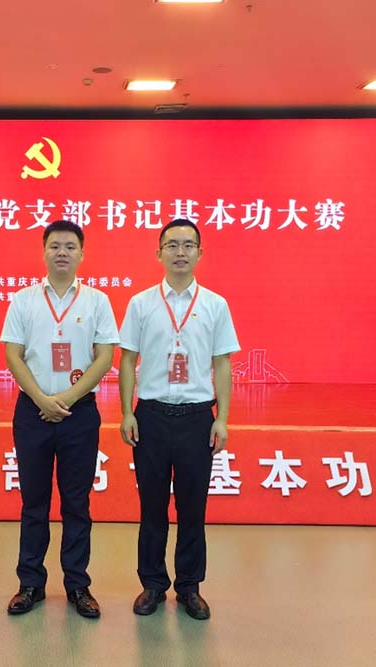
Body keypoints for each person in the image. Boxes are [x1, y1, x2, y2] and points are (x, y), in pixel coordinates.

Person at [118, 218, 240, 620]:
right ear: (159, 253)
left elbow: (222, 364)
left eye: (188, 245)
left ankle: (189, 586)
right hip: (151, 417)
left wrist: (222, 418)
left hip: (196, 418)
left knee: (193, 507)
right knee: (151, 507)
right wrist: (127, 412)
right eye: (172, 245)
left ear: (200, 254)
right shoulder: (140, 304)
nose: (180, 252)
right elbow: (128, 361)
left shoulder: (215, 305)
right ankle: (152, 584)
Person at [0, 220, 118, 618]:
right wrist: (41, 399)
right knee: (33, 502)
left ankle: (77, 585)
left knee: (76, 504)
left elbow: (105, 357)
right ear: (44, 252)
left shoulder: (97, 301)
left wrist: (66, 398)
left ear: (82, 253)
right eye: (55, 246)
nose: (62, 252)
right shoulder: (24, 300)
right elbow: (13, 354)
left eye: (70, 246)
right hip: (32, 411)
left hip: (79, 413)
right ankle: (30, 583)